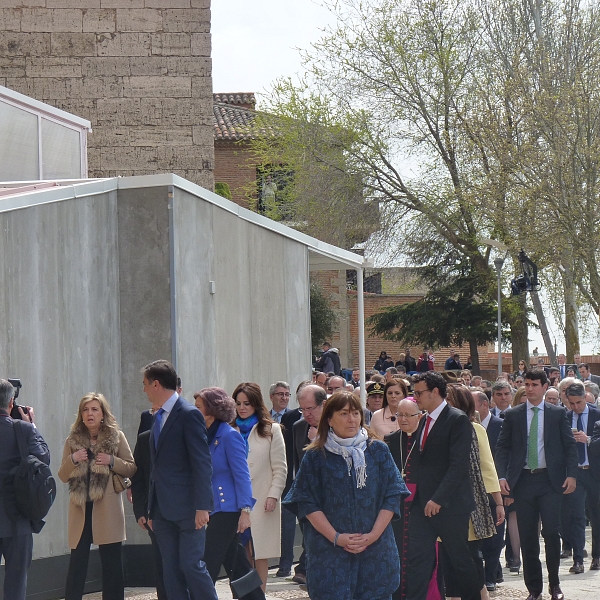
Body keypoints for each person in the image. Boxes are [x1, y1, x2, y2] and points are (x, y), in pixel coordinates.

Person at [283, 391, 409, 600]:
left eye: (355, 413)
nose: (351, 420)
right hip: (329, 553)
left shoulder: (377, 450)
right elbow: (305, 501)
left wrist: (373, 535)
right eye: (343, 414)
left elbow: (393, 493)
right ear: (329, 419)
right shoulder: (315, 456)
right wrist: (336, 537)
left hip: (375, 549)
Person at [495, 369, 578, 600]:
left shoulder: (557, 413)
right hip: (523, 482)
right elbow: (503, 448)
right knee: (528, 537)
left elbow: (569, 446)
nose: (529, 388)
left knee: (551, 532)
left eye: (534, 384)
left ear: (544, 387)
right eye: (526, 384)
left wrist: (572, 475)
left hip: (550, 481)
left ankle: (555, 585)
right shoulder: (513, 415)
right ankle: (534, 589)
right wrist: (502, 476)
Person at [143, 359, 217, 600]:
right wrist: (151, 509)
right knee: (170, 570)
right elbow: (156, 467)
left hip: (188, 509)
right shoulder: (156, 419)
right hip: (162, 510)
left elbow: (201, 462)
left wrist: (203, 506)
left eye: (145, 384)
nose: (143, 389)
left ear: (156, 384)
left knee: (191, 565)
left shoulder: (189, 414)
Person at [405, 371, 482, 600]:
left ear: (435, 392)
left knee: (459, 560)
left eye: (419, 393)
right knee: (417, 558)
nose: (416, 398)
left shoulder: (457, 419)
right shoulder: (424, 419)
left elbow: (458, 466)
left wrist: (438, 499)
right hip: (422, 504)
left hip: (450, 505)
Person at [58, 392, 136, 600]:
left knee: (111, 564)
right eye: (85, 409)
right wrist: (73, 459)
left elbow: (131, 468)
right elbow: (62, 475)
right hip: (81, 509)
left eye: (94, 409)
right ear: (80, 415)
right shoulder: (72, 440)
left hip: (107, 509)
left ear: (103, 413)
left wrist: (112, 460)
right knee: (77, 563)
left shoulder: (116, 436)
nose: (89, 413)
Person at [194, 387, 265, 599]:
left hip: (228, 510)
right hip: (212, 509)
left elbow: (242, 475)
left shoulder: (229, 435)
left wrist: (245, 511)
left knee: (207, 563)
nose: (193, 411)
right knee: (238, 564)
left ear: (212, 409)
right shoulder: (203, 434)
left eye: (198, 407)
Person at [442, 385, 504, 600]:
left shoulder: (475, 429)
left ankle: (481, 595)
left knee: (471, 555)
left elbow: (487, 467)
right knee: (448, 557)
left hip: (472, 502)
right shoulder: (435, 429)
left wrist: (498, 503)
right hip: (444, 503)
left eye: (449, 400)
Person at [233, 382, 287, 592]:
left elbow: (280, 468)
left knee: (259, 552)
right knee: (240, 552)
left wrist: (273, 495)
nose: (242, 407)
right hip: (236, 500)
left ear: (256, 404)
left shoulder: (271, 429)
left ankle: (260, 595)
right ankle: (243, 595)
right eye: (238, 403)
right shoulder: (229, 429)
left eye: (247, 403)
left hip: (263, 499)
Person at [0, 379, 50, 600]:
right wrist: (31, 425)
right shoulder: (24, 429)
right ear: (11, 402)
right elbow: (43, 459)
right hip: (17, 516)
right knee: (16, 582)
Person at [385, 398, 429, 600]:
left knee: (418, 558)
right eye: (399, 415)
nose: (402, 419)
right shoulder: (390, 440)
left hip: (420, 506)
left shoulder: (427, 440)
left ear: (420, 416)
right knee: (396, 556)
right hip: (397, 508)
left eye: (407, 415)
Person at [561, 381, 600, 573]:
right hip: (574, 473)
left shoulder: (597, 415)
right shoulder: (565, 417)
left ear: (585, 397)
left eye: (578, 402)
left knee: (596, 515)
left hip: (594, 472)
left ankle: (597, 557)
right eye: (572, 403)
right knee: (576, 517)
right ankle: (578, 559)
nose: (575, 407)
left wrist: (589, 440)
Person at [291, 384, 327, 585]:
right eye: (302, 409)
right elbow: (296, 462)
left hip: (330, 499)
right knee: (309, 542)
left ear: (324, 405)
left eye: (311, 408)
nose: (307, 414)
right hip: (307, 499)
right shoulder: (298, 427)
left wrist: (320, 440)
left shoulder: (336, 426)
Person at [131, 419, 168, 600]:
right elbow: (137, 479)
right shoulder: (145, 439)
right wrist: (140, 511)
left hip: (181, 512)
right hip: (153, 512)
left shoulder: (183, 435)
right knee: (160, 560)